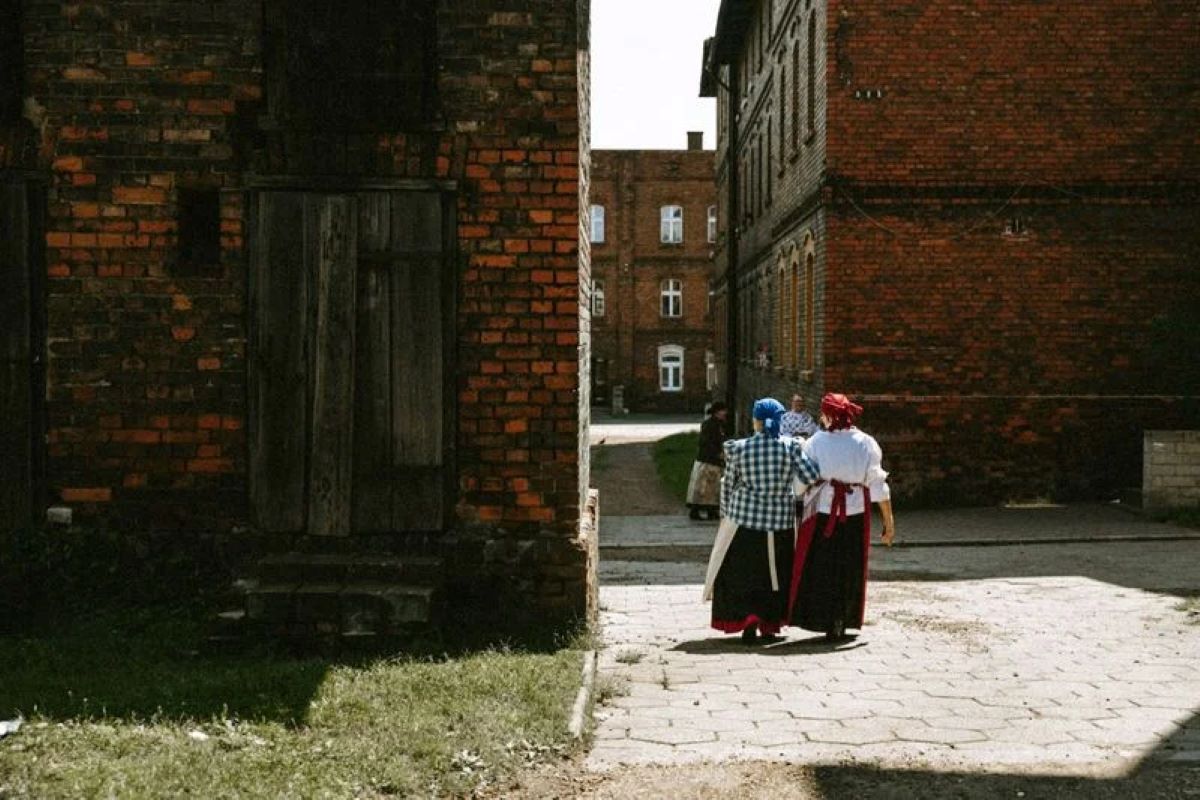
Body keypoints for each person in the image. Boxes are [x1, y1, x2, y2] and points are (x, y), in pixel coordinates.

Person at [704, 398, 821, 643]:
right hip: (779, 521)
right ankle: (769, 623)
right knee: (776, 574)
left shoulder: (739, 448)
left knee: (745, 572)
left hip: (744, 519)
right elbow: (811, 475)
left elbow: (729, 483)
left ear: (756, 421)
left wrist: (725, 514)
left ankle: (748, 618)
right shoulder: (790, 447)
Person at [788, 393, 895, 641]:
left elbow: (802, 480)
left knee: (823, 567)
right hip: (855, 515)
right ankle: (841, 618)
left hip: (823, 515)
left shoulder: (815, 442)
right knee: (850, 567)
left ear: (828, 415)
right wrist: (889, 523)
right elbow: (878, 485)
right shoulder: (866, 442)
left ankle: (825, 617)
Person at [687, 401, 728, 520]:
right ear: (717, 412)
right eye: (723, 411)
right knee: (703, 487)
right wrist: (717, 453)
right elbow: (707, 442)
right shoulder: (710, 425)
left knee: (712, 487)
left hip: (713, 460)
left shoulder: (719, 424)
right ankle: (697, 510)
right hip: (707, 459)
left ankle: (711, 510)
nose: (725, 413)